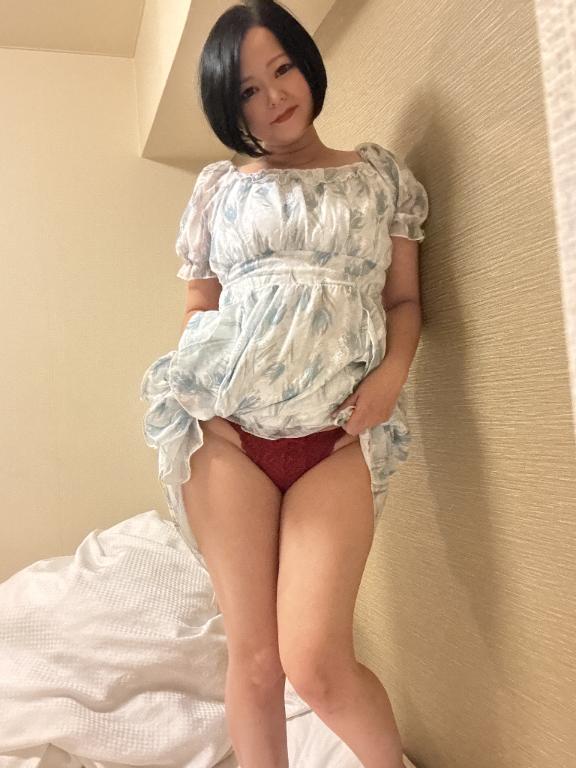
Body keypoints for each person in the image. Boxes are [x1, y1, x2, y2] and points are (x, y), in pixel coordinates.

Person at [140, 1, 429, 766]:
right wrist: (205, 404)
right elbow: (200, 306)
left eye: (283, 68)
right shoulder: (218, 191)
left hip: (337, 439)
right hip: (229, 439)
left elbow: (404, 302)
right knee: (257, 661)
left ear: (307, 63)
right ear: (225, 107)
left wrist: (392, 377)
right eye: (246, 90)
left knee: (317, 664)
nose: (273, 96)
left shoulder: (380, 178)